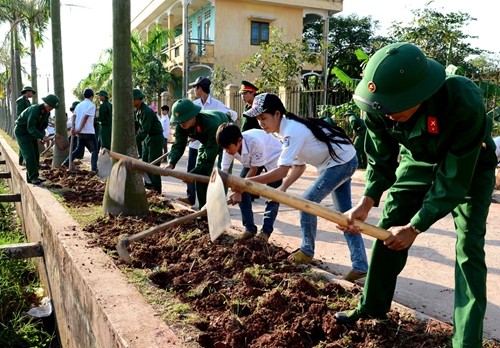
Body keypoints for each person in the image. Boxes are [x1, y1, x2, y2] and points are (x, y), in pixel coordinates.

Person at [333, 43, 497, 348]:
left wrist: (416, 227)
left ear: (420, 95)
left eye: (396, 108)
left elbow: (453, 180)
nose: (389, 115)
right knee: (388, 226)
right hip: (418, 160)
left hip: (469, 167)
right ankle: (372, 308)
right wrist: (366, 202)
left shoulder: (462, 100)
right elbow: (381, 159)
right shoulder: (379, 105)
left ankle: (466, 341)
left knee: (469, 248)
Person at [241, 93, 368, 281]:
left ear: (277, 114)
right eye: (259, 119)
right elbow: (298, 167)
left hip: (341, 163)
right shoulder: (285, 132)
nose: (261, 123)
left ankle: (307, 251)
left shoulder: (292, 131)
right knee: (345, 217)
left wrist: (248, 183)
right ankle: (360, 265)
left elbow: (281, 170)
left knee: (306, 202)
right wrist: (282, 189)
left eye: (263, 118)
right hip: (341, 161)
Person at [216, 122, 282, 242]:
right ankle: (249, 229)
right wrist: (216, 198)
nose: (226, 151)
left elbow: (254, 169)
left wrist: (238, 191)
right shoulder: (228, 148)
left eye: (228, 148)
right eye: (224, 148)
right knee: (240, 188)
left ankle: (265, 232)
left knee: (273, 195)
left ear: (239, 141)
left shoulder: (254, 142)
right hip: (253, 161)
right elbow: (224, 173)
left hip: (273, 158)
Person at [181, 76, 237, 206]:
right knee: (199, 170)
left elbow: (233, 115)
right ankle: (200, 203)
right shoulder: (194, 105)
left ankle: (219, 203)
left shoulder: (217, 104)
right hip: (200, 143)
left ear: (200, 88)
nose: (194, 90)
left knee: (223, 171)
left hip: (221, 142)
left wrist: (224, 120)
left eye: (195, 87)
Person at [167, 98, 231, 209]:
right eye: (179, 121)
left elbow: (208, 158)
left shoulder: (211, 123)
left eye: (184, 120)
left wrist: (192, 174)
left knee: (222, 174)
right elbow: (178, 145)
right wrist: (171, 163)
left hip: (225, 137)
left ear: (193, 116)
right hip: (207, 141)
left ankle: (219, 208)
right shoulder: (181, 124)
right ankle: (203, 209)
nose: (181, 124)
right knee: (200, 174)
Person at [14, 94, 59, 185]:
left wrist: (42, 136)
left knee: (35, 154)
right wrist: (42, 137)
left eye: (52, 107)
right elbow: (31, 128)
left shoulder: (47, 113)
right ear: (45, 103)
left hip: (32, 134)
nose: (51, 108)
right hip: (22, 133)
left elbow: (42, 126)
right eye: (50, 106)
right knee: (29, 155)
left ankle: (32, 177)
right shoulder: (35, 110)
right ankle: (33, 177)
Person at [132, 88, 164, 193]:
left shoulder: (146, 111)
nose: (131, 102)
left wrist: (134, 141)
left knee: (153, 166)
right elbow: (136, 126)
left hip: (155, 138)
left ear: (138, 99)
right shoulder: (138, 111)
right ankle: (149, 186)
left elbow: (145, 130)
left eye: (132, 100)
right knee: (144, 164)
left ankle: (157, 191)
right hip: (148, 138)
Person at [62, 89, 98, 172]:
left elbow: (73, 116)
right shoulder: (91, 105)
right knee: (94, 150)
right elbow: (86, 117)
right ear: (92, 96)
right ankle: (94, 169)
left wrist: (73, 128)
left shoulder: (79, 105)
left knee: (78, 149)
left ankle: (66, 162)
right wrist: (78, 129)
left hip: (80, 133)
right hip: (88, 131)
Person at [16, 86, 36, 165]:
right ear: (27, 92)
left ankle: (21, 160)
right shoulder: (21, 100)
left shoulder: (27, 101)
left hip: (27, 123)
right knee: (24, 142)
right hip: (23, 124)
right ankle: (23, 160)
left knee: (24, 142)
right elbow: (20, 113)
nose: (32, 94)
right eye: (31, 92)